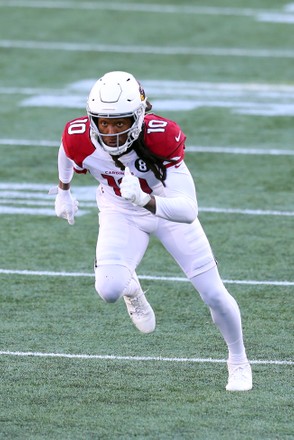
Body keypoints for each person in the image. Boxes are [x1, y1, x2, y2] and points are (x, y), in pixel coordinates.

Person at [52, 70, 252, 391]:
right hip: (119, 210)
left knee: (213, 293)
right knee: (109, 290)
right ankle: (133, 288)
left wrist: (145, 199)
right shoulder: (79, 135)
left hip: (165, 208)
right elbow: (66, 150)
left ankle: (238, 360)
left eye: (120, 122)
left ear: (139, 115)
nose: (111, 131)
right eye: (104, 122)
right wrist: (63, 189)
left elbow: (187, 210)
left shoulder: (160, 135)